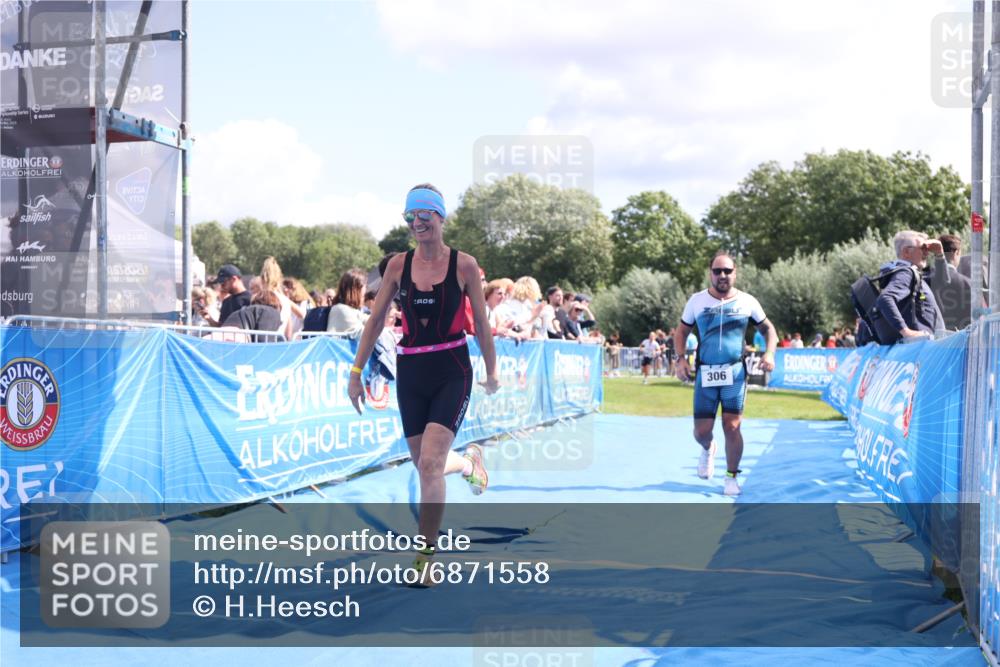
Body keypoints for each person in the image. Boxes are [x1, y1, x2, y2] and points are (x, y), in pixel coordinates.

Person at [348, 183, 499, 586]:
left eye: (423, 216)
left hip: (452, 368)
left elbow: (482, 323)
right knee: (424, 465)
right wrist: (355, 372)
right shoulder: (397, 265)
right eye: (409, 217)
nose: (416, 223)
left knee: (430, 465)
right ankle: (468, 463)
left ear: (440, 217)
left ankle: (425, 559)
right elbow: (375, 320)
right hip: (411, 372)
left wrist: (492, 369)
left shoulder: (464, 265)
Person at [673, 252, 777, 496]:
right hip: (705, 374)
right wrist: (680, 360)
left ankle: (731, 476)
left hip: (735, 374)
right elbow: (681, 333)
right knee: (701, 431)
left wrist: (769, 353)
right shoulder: (697, 301)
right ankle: (708, 448)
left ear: (735, 273)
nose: (722, 275)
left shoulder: (747, 301)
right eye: (717, 271)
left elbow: (768, 328)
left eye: (727, 271)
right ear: (710, 273)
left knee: (732, 426)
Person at [874, 230, 945, 341]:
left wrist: (939, 254)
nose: (926, 253)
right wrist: (907, 332)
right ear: (906, 252)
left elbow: (942, 281)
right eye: (922, 248)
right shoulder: (906, 273)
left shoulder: (912, 273)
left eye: (927, 249)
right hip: (922, 349)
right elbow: (885, 298)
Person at [929, 234, 975, 330]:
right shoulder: (968, 283)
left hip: (932, 339)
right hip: (960, 340)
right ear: (957, 252)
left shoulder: (925, 280)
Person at [327, 269, 370, 337]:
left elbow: (368, 320)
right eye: (365, 286)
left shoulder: (351, 310)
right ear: (355, 289)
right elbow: (364, 335)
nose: (366, 290)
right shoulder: (341, 310)